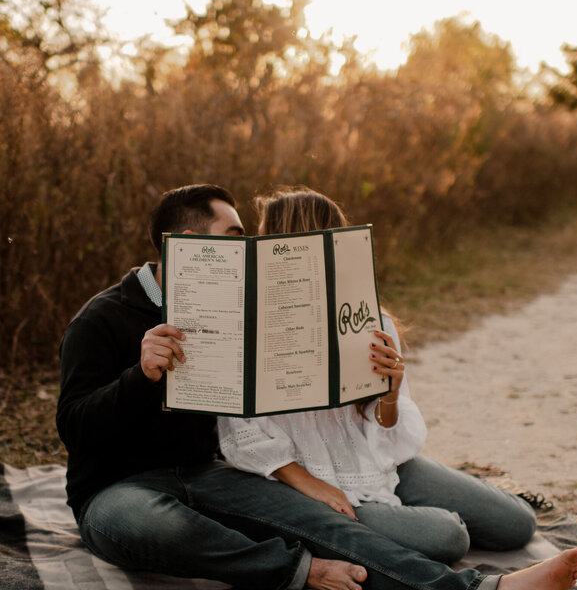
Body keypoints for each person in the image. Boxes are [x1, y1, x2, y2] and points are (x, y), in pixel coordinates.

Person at [56, 183, 577, 590]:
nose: (248, 253)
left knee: (332, 527)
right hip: (117, 489)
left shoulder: (237, 305)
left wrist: (381, 385)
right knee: (153, 526)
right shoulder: (102, 319)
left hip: (205, 473)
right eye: (236, 240)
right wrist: (140, 376)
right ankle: (300, 570)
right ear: (190, 246)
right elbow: (74, 427)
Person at [219, 186, 538, 566]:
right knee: (448, 537)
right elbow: (241, 434)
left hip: (380, 460)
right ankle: (339, 528)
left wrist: (390, 392)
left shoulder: (368, 319)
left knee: (517, 524)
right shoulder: (243, 325)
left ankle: (390, 513)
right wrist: (311, 486)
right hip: (306, 478)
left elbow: (386, 422)